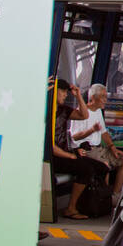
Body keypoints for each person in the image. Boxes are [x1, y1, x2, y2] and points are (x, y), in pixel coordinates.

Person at [47, 79, 104, 225]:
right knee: (86, 169)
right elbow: (50, 146)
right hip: (53, 156)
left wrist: (78, 95)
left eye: (67, 92)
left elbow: (83, 115)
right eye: (63, 92)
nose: (65, 95)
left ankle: (91, 204)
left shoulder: (64, 110)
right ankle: (71, 208)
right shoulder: (45, 110)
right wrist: (70, 155)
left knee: (100, 167)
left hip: (65, 152)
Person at [69, 83, 123, 204]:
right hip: (87, 150)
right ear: (92, 98)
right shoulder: (80, 113)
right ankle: (103, 197)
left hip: (100, 148)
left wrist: (113, 147)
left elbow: (104, 133)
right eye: (102, 96)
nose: (105, 100)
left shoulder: (97, 112)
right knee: (104, 165)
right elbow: (74, 137)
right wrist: (91, 130)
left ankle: (114, 196)